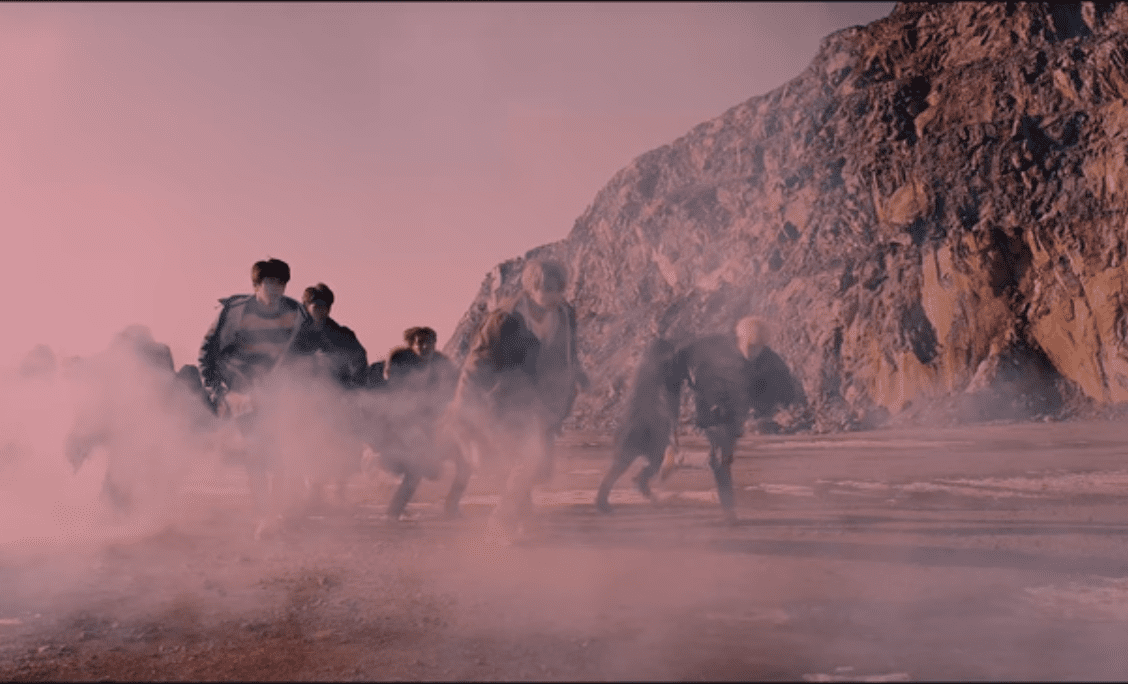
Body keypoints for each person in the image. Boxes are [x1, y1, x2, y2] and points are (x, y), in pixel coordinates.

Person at [446, 257, 588, 541]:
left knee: (531, 464)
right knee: (528, 459)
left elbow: (568, 354)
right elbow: (476, 363)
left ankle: (525, 520)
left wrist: (576, 378)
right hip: (505, 401)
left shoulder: (564, 315)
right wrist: (462, 408)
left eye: (558, 288)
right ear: (531, 287)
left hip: (544, 400)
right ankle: (502, 521)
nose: (553, 295)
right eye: (546, 288)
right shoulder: (505, 319)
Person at [197, 258, 309, 538]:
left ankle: (273, 515)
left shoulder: (295, 313)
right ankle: (263, 514)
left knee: (279, 455)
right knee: (257, 454)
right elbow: (207, 353)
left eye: (281, 283)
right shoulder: (234, 312)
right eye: (269, 282)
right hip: (242, 393)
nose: (276, 289)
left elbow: (302, 354)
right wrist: (218, 391)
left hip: (278, 394)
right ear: (256, 285)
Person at [667, 316, 800, 523]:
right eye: (750, 346)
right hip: (710, 406)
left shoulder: (769, 359)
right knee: (722, 459)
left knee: (722, 458)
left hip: (737, 409)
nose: (754, 352)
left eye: (759, 347)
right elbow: (680, 364)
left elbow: (786, 385)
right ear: (739, 340)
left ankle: (680, 460)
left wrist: (783, 408)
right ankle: (729, 512)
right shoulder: (715, 349)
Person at [375, 326, 461, 520]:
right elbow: (395, 398)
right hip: (402, 425)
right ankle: (393, 512)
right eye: (420, 343)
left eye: (429, 343)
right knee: (417, 467)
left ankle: (452, 505)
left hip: (431, 424)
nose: (425, 347)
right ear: (411, 345)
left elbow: (454, 388)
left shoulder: (441, 364)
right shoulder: (401, 362)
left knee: (464, 460)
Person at [291, 282, 369, 390]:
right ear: (307, 307)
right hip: (302, 390)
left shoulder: (342, 336)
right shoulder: (293, 335)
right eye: (317, 307)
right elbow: (283, 364)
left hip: (338, 391)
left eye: (325, 307)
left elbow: (359, 359)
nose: (321, 311)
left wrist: (355, 387)